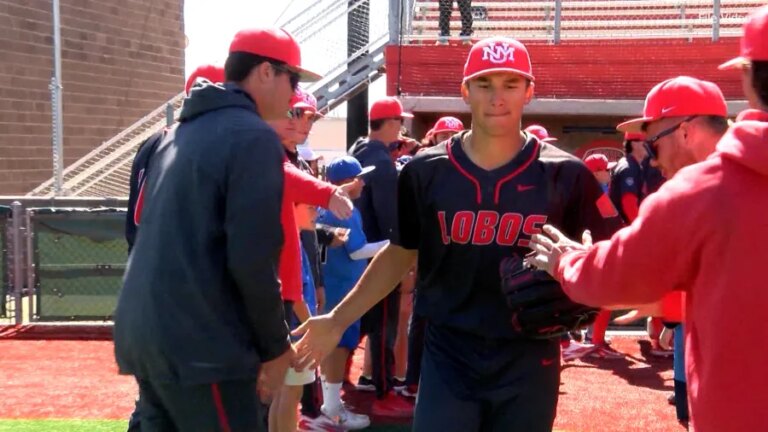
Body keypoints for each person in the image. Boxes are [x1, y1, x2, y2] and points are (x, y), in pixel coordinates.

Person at [294, 36, 621, 431]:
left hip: (531, 356)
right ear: (465, 91)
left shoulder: (566, 174)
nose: (496, 97)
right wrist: (336, 319)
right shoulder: (426, 171)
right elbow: (400, 253)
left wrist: (580, 273)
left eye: (510, 84)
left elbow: (610, 255)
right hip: (448, 354)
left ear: (529, 91)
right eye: (484, 84)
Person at [526, 67, 766, 432]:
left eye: (653, 145)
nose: (652, 160)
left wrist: (567, 262)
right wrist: (676, 303)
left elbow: (614, 277)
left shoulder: (699, 190)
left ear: (686, 131)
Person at [113, 27, 320, 431]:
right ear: (265, 72)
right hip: (205, 343)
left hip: (147, 332)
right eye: (292, 79)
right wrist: (276, 346)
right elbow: (251, 258)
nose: (295, 93)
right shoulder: (251, 136)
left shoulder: (176, 134)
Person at [348, 96, 414, 417]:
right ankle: (384, 392)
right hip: (378, 253)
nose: (401, 128)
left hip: (349, 251)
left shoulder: (357, 150)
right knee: (384, 326)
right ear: (390, 122)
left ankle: (337, 382)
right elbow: (389, 217)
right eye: (399, 121)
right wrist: (401, 259)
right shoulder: (384, 162)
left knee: (356, 320)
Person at [316, 156, 389, 430]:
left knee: (331, 346)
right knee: (338, 346)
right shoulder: (344, 209)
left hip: (332, 285)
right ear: (348, 181)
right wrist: (395, 246)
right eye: (359, 178)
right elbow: (358, 251)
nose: (363, 183)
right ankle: (332, 408)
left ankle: (329, 403)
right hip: (342, 288)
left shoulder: (325, 206)